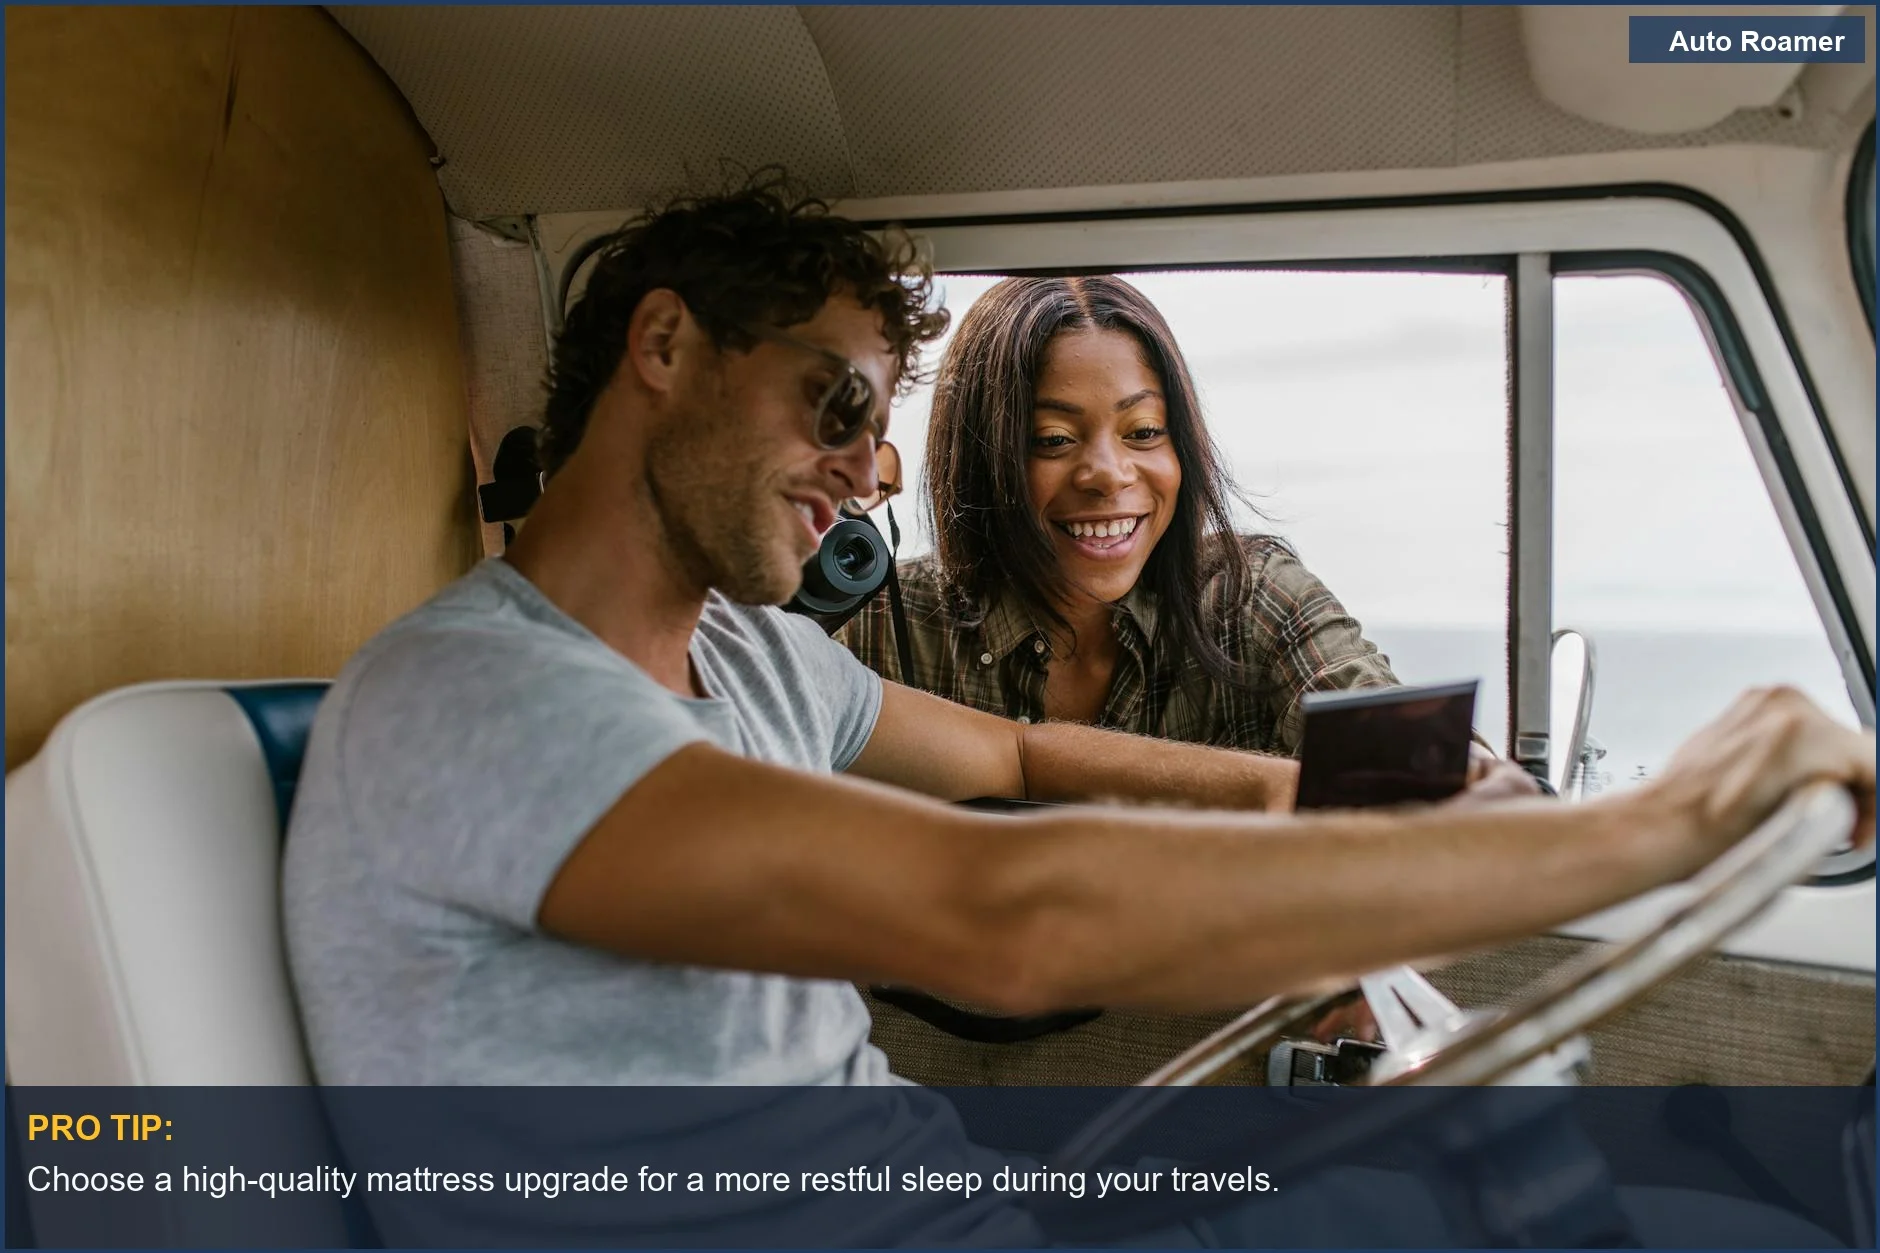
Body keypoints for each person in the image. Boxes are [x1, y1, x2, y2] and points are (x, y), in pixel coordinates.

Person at [280, 177, 1873, 1246]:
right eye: (839, 402)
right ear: (667, 346)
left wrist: (1294, 797)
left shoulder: (756, 658)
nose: (868, 468)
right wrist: (1651, 829)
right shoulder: (469, 695)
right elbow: (999, 909)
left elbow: (1019, 758)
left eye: (884, 433)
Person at [839, 275, 1437, 775]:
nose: (1108, 474)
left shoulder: (1251, 600)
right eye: (1054, 440)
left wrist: (1448, 770)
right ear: (982, 463)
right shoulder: (876, 626)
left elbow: (1414, 763)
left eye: (1144, 431)